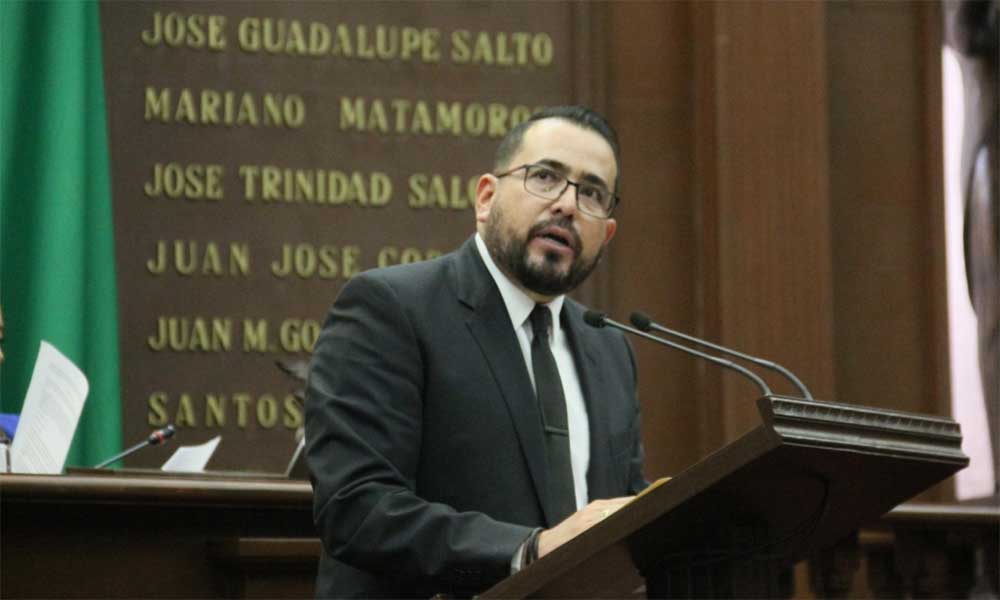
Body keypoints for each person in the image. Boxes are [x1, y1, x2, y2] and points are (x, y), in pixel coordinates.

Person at [305, 106, 647, 598]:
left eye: (591, 193)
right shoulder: (392, 308)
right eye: (545, 177)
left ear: (606, 234)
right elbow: (357, 508)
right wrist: (529, 550)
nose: (567, 205)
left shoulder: (609, 349)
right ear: (486, 197)